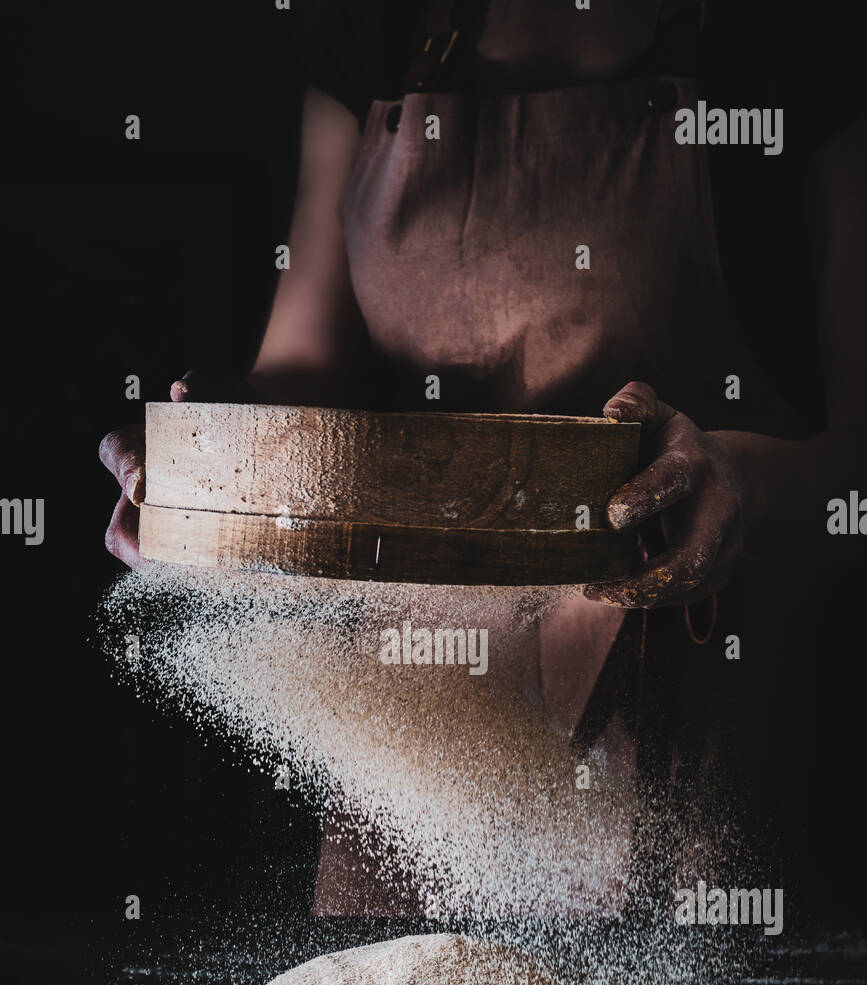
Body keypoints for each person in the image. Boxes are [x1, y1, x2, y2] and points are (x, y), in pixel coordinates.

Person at [100, 0, 866, 914]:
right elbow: (299, 373)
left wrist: (736, 480)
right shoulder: (372, 36)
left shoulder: (792, 39)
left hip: (689, 687)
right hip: (413, 725)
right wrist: (212, 461)